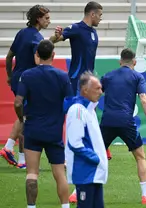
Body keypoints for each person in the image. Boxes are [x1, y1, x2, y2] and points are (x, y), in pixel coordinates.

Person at [49, 1, 110, 202]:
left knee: (88, 122)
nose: (101, 18)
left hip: (89, 84)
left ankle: (90, 153)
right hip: (77, 84)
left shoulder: (94, 33)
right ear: (92, 14)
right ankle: (70, 158)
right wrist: (56, 36)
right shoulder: (76, 29)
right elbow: (55, 39)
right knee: (75, 121)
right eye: (100, 15)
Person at [14, 40, 72, 208]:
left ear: (37, 55)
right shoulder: (62, 76)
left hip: (33, 130)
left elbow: (18, 103)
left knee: (32, 173)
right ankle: (65, 206)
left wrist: (21, 120)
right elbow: (69, 103)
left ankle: (31, 207)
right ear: (53, 55)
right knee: (59, 174)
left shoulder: (27, 75)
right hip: (54, 131)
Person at [100, 48, 146, 204]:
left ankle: (77, 192)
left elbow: (95, 95)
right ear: (135, 62)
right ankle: (145, 196)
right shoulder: (137, 77)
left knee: (93, 157)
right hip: (126, 122)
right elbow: (143, 99)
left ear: (120, 61)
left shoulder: (108, 76)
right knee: (140, 156)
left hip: (107, 121)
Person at [1, 4, 50, 169]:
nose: (49, 21)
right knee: (26, 118)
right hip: (28, 82)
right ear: (38, 19)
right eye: (46, 18)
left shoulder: (21, 33)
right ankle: (8, 148)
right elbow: (39, 62)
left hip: (16, 78)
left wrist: (9, 76)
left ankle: (21, 159)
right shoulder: (37, 39)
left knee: (24, 116)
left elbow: (9, 57)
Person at [65, 72, 108, 208]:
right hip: (85, 172)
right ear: (85, 90)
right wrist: (95, 158)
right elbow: (75, 143)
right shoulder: (78, 110)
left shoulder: (89, 110)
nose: (101, 92)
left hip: (93, 173)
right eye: (97, 88)